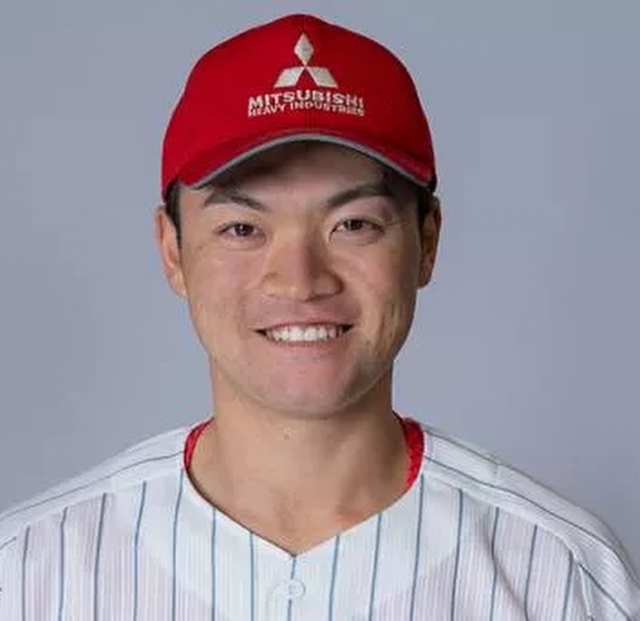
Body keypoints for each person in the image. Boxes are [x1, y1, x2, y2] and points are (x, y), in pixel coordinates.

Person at [0, 12, 638, 620]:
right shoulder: (30, 569)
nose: (301, 280)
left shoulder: (564, 575)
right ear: (173, 251)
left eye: (353, 224)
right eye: (242, 228)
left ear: (427, 241)